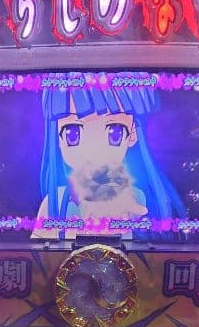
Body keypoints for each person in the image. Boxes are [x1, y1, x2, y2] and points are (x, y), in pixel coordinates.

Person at [32, 74, 185, 239]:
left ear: (132, 133)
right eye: (72, 133)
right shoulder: (54, 204)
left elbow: (150, 253)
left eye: (114, 132)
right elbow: (38, 254)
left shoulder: (137, 199)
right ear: (57, 136)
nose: (93, 151)